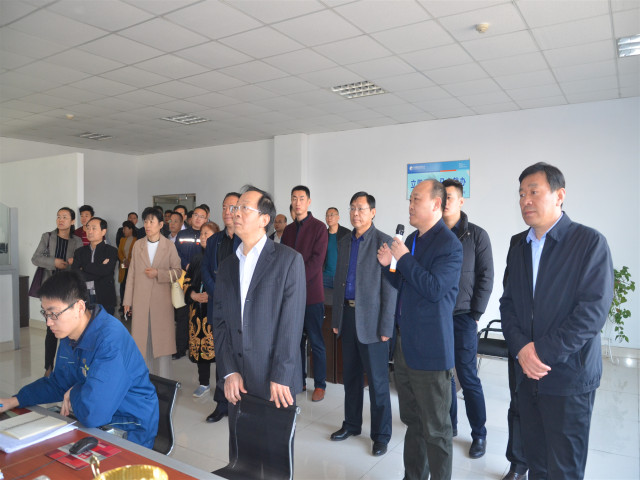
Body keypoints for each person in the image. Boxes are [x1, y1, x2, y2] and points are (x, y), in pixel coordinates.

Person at [500, 162, 613, 479]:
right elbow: (508, 304)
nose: (525, 200)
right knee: (537, 464)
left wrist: (540, 352)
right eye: (521, 194)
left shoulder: (588, 243)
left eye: (534, 192)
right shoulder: (518, 245)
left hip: (568, 378)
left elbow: (592, 312)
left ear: (559, 195)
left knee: (563, 470)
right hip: (527, 377)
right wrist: (522, 349)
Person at [0, 270, 159, 448]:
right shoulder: (69, 335)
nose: (48, 322)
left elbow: (94, 414)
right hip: (93, 421)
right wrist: (14, 400)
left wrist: (75, 391)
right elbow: (59, 383)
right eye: (45, 313)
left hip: (129, 427)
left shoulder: (110, 341)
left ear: (79, 308)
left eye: (54, 314)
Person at [212, 185, 306, 471]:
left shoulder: (288, 260)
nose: (235, 213)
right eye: (235, 207)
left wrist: (281, 375)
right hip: (238, 381)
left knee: (275, 464)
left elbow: (291, 324)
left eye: (244, 208)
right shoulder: (227, 265)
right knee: (242, 461)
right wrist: (228, 371)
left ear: (264, 219)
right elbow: (220, 322)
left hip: (273, 381)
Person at [377, 179, 462, 480]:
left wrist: (402, 258)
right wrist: (389, 265)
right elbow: (405, 283)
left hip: (431, 350)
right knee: (413, 422)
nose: (410, 205)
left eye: (416, 199)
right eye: (410, 199)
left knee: (436, 430)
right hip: (405, 345)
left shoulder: (449, 244)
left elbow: (434, 288)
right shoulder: (412, 239)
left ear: (436, 204)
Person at [330, 192, 396, 457]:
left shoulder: (385, 242)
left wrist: (387, 327)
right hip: (347, 317)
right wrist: (336, 319)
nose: (355, 213)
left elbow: (391, 288)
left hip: (373, 322)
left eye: (361, 208)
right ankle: (352, 424)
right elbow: (339, 281)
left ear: (373, 212)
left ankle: (381, 435)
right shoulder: (345, 241)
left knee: (378, 383)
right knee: (351, 377)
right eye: (352, 208)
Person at [442, 179, 494, 459]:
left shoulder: (477, 235)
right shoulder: (432, 233)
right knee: (444, 375)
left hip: (463, 316)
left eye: (450, 197)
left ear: (461, 201)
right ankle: (449, 426)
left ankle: (479, 434)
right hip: (438, 317)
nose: (445, 201)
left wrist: (476, 313)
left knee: (467, 376)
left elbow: (486, 276)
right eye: (442, 196)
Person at [281, 185, 328, 402]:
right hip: (291, 297)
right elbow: (282, 260)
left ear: (308, 202)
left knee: (316, 341)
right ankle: (298, 380)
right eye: (294, 198)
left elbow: (317, 262)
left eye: (301, 198)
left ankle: (320, 385)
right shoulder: (288, 230)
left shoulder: (319, 228)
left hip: (311, 296)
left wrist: (295, 281)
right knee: (295, 342)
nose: (297, 202)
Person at [123, 207, 182, 378]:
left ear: (161, 224)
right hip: (140, 300)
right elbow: (132, 274)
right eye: (146, 221)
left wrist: (159, 273)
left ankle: (165, 382)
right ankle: (145, 382)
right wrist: (127, 301)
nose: (148, 225)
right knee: (142, 344)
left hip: (161, 302)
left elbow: (177, 272)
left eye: (152, 221)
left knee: (162, 346)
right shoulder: (138, 245)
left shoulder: (169, 246)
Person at [201, 192, 241, 423]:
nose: (227, 211)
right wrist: (216, 291)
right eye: (225, 207)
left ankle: (241, 402)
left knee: (241, 356)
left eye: (232, 207)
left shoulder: (246, 239)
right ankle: (222, 403)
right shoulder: (214, 240)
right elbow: (206, 269)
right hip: (217, 305)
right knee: (222, 354)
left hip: (240, 308)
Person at [32, 207, 83, 377]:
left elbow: (80, 262)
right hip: (50, 290)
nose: (61, 220)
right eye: (58, 217)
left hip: (68, 291)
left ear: (72, 221)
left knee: (69, 330)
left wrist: (73, 261)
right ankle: (48, 368)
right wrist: (54, 262)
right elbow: (35, 258)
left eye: (65, 217)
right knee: (51, 330)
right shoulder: (47, 237)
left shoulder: (77, 241)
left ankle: (67, 368)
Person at [502, 230, 529, 480]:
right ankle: (518, 465)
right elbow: (508, 291)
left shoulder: (579, 241)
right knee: (518, 403)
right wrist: (519, 343)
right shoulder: (518, 241)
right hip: (520, 341)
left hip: (553, 345)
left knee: (550, 411)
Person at [184, 221, 219, 398]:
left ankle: (222, 386)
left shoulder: (221, 256)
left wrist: (211, 295)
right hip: (197, 311)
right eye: (202, 233)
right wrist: (192, 295)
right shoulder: (197, 258)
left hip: (215, 310)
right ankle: (203, 383)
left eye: (207, 233)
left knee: (219, 349)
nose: (203, 237)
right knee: (199, 347)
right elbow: (186, 281)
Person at [174, 205, 208, 359]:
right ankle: (181, 348)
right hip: (184, 278)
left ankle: (200, 347)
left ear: (206, 219)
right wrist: (186, 264)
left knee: (200, 315)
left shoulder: (208, 234)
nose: (198, 218)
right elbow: (176, 253)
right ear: (190, 217)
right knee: (182, 314)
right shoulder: (182, 234)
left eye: (202, 216)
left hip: (203, 278)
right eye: (195, 215)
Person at [72, 217, 119, 315]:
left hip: (104, 296)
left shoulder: (111, 251)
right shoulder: (79, 252)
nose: (90, 231)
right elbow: (75, 273)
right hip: (83, 297)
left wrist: (85, 267)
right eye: (88, 228)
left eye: (94, 228)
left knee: (104, 324)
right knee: (85, 324)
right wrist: (99, 267)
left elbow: (106, 271)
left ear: (103, 231)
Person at [322, 207, 350, 290]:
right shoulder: (323, 235)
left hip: (342, 277)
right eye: (327, 215)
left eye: (331, 215)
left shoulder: (347, 234)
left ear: (338, 217)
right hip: (325, 277)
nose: (329, 218)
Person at [117, 220, 137, 316]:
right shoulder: (122, 240)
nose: (123, 231)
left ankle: (131, 307)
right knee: (123, 286)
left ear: (130, 229)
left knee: (131, 287)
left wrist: (130, 261)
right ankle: (123, 305)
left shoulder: (136, 240)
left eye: (125, 228)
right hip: (123, 266)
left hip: (133, 267)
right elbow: (119, 252)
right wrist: (124, 260)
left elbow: (136, 253)